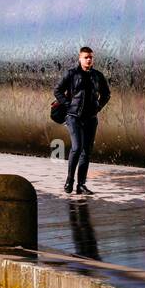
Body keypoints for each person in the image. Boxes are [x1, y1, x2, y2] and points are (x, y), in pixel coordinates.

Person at [53, 45, 111, 195]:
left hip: (91, 119)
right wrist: (67, 104)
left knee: (86, 152)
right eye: (86, 57)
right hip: (74, 117)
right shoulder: (71, 74)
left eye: (91, 57)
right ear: (80, 58)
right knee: (77, 148)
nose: (89, 60)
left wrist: (98, 107)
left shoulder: (97, 76)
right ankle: (69, 180)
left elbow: (106, 94)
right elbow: (57, 90)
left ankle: (81, 185)